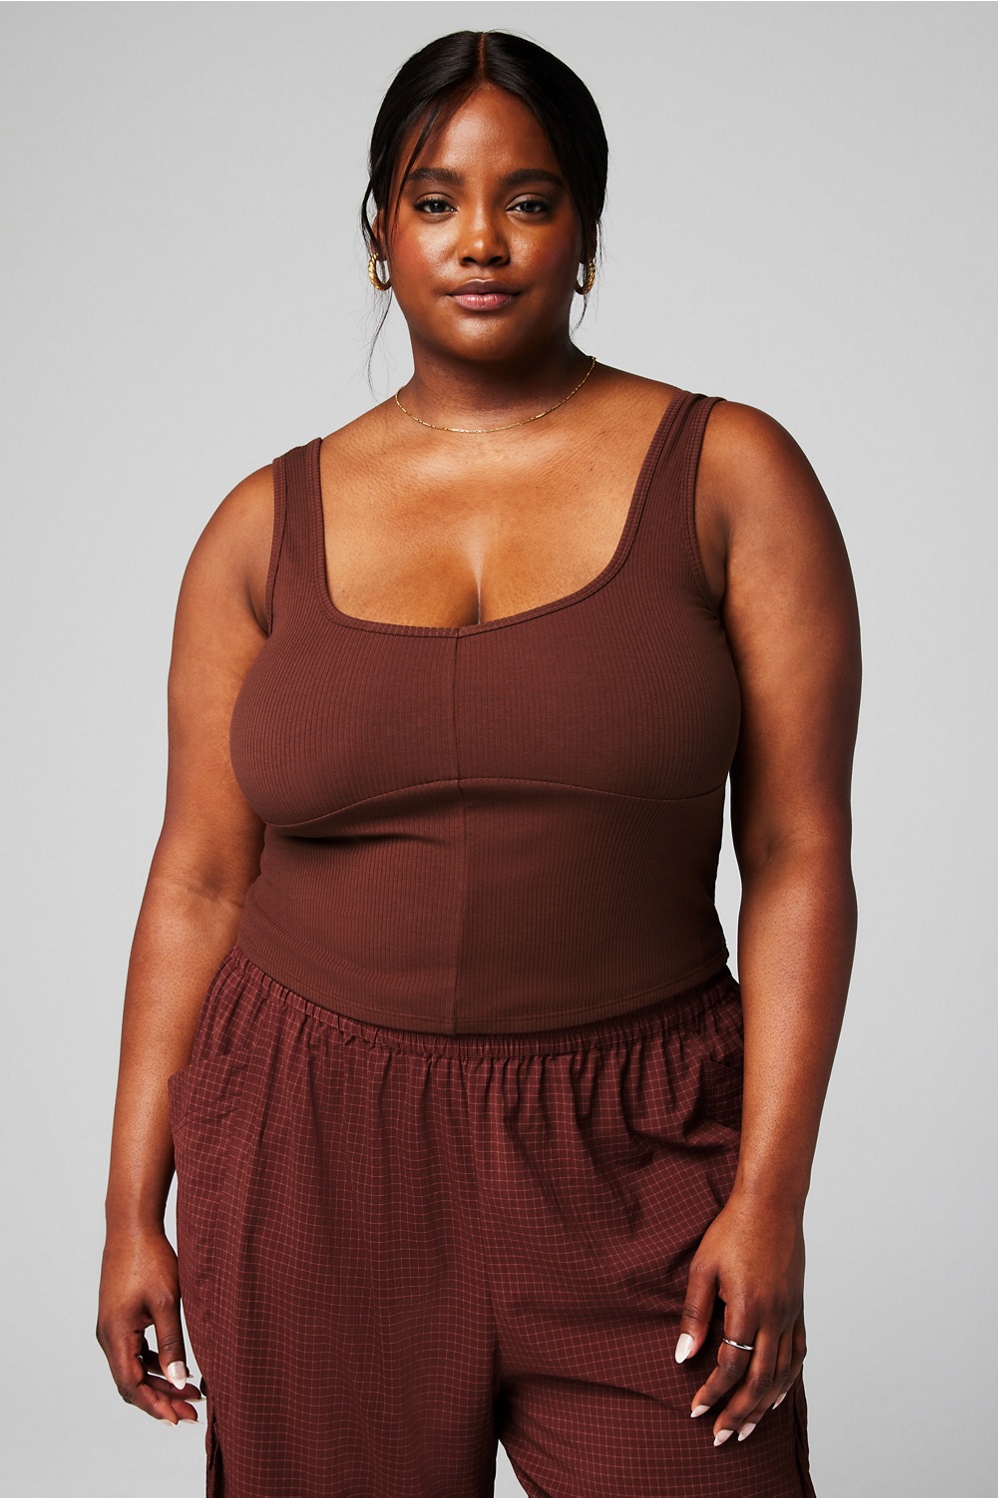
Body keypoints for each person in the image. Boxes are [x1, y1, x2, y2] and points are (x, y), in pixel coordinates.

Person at [97, 28, 860, 1498]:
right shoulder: (260, 529)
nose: (481, 240)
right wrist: (134, 1203)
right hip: (315, 1144)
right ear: (378, 236)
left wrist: (769, 1194)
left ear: (586, 232)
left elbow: (796, 854)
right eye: (434, 200)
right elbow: (196, 879)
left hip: (637, 1142)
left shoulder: (730, 476)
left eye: (530, 199)